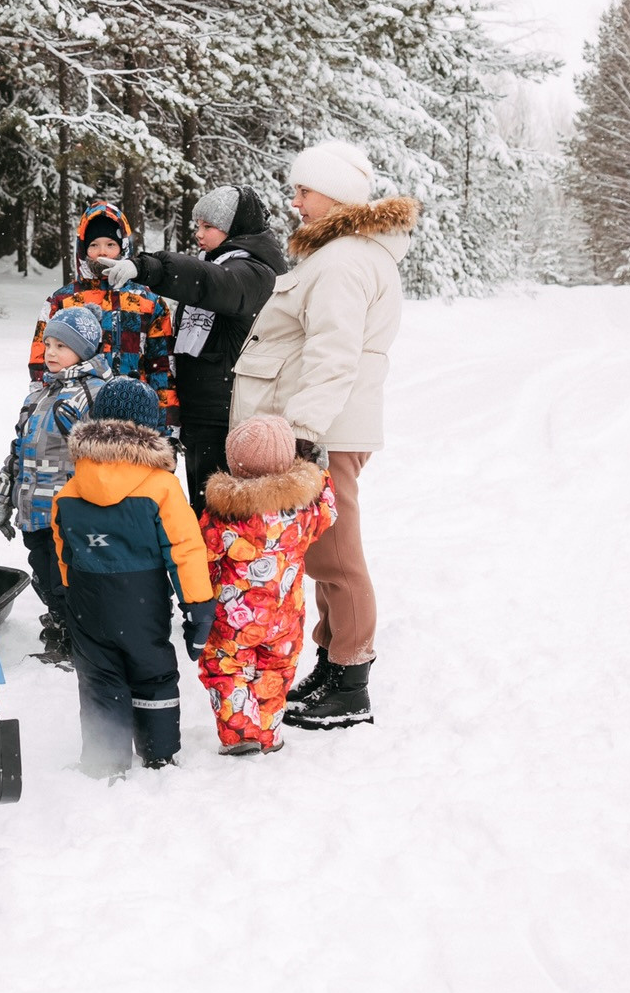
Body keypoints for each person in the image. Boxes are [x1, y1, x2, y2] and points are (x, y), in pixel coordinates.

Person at [229, 138, 415, 730]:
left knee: (337, 556)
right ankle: (334, 667)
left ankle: (351, 680)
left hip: (327, 429)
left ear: (334, 194)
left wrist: (304, 431)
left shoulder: (343, 261)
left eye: (304, 190)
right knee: (323, 555)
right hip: (329, 425)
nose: (296, 202)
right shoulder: (342, 255)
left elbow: (333, 355)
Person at [50, 378, 215, 775]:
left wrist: (69, 593)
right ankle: (158, 751)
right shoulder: (162, 487)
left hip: (89, 600)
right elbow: (184, 549)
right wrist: (198, 606)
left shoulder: (70, 489)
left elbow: (63, 550)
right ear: (150, 430)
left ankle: (104, 757)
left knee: (98, 678)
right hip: (142, 602)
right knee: (152, 671)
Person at [93, 184, 283, 510]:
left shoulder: (253, 272)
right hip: (203, 417)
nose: (199, 234)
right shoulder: (220, 262)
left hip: (229, 418)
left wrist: (148, 267)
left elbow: (209, 282)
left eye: (209, 226)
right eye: (198, 225)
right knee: (203, 518)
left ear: (235, 228)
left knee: (222, 522)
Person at [196, 414, 334, 754]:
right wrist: (322, 474)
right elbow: (329, 509)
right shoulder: (304, 509)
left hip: (233, 618)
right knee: (277, 670)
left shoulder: (223, 514)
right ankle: (269, 735)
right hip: (286, 616)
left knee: (226, 669)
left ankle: (241, 735)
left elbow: (203, 553)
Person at [0, 305, 112, 664]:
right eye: (49, 344)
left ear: (85, 350)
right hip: (33, 510)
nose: (52, 352)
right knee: (44, 575)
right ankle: (59, 627)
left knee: (70, 579)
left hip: (70, 511)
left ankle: (79, 641)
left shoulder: (95, 395)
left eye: (62, 345)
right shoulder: (38, 396)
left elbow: (108, 459)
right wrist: (4, 497)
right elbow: (18, 449)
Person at [28, 201, 179, 430]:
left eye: (110, 244)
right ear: (83, 249)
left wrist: (166, 424)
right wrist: (40, 410)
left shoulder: (148, 302)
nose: (102, 252)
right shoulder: (62, 301)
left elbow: (162, 366)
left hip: (135, 413)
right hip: (76, 414)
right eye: (94, 245)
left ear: (123, 248)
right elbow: (42, 360)